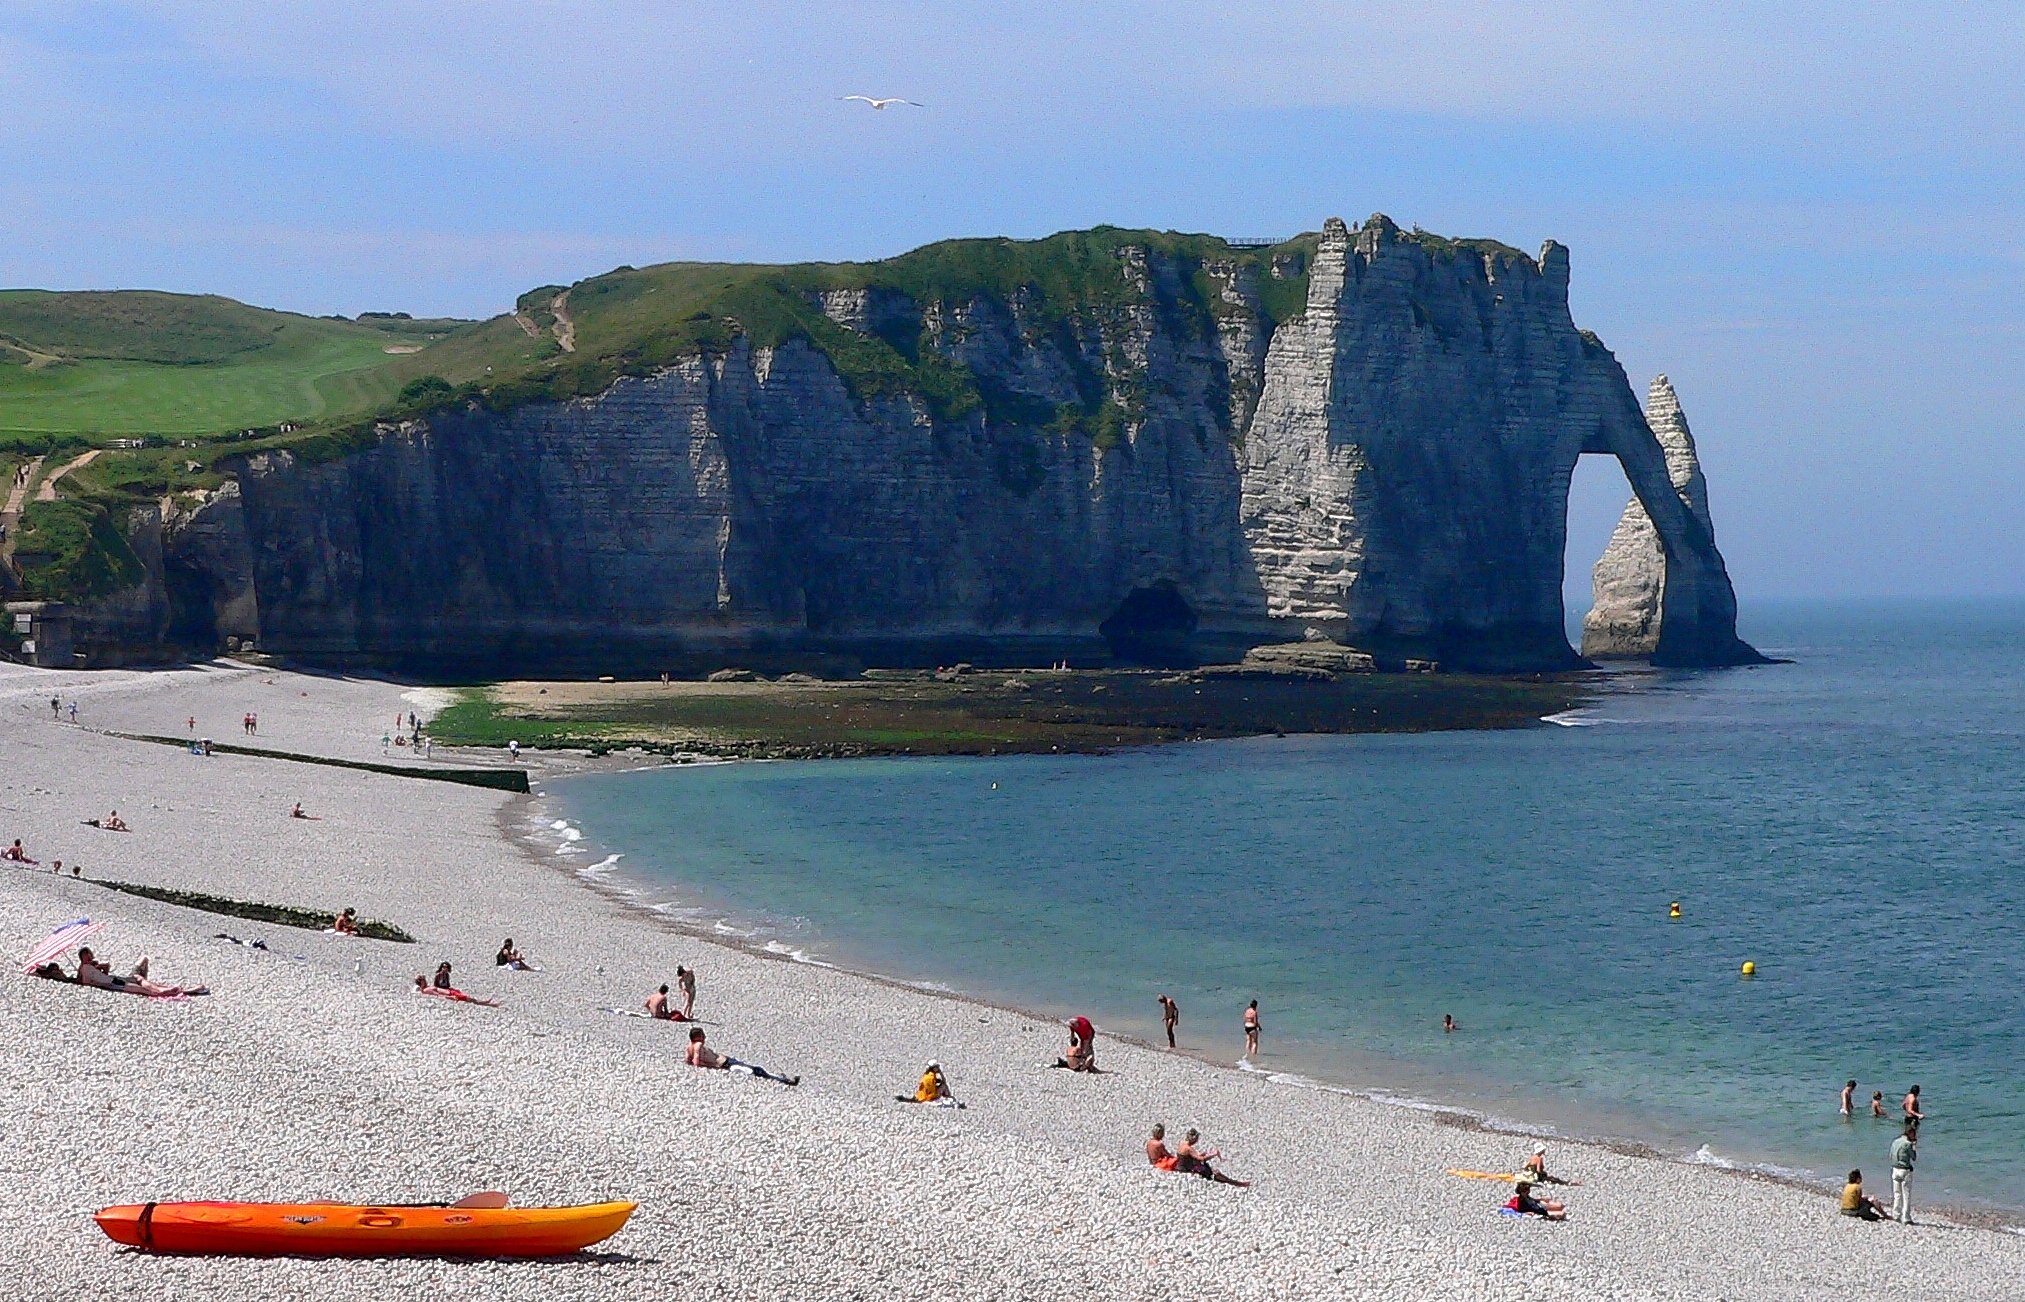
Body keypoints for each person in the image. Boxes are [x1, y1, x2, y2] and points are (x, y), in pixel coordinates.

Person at [76, 946, 208, 997]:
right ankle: (187, 991)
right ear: (82, 958)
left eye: (89, 955)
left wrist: (100, 967)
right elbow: (86, 981)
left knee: (143, 981)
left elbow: (103, 975)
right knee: (148, 991)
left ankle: (175, 989)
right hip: (114, 984)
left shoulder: (90, 967)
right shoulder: (83, 969)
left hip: (115, 980)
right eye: (87, 956)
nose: (89, 958)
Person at [685, 1027, 798, 1085]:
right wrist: (712, 1066)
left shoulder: (689, 1046)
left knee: (754, 1069)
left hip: (727, 1063)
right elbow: (696, 1061)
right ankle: (784, 1080)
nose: (705, 1037)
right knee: (756, 1070)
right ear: (698, 1037)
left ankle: (780, 1077)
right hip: (726, 1064)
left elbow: (687, 1060)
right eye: (702, 1035)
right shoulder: (698, 1045)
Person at [1172, 1128, 1250, 1187]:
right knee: (1215, 1172)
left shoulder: (1182, 1143)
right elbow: (1201, 1159)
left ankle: (1234, 1182)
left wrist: (1203, 1154)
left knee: (1207, 1167)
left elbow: (1188, 1156)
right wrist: (1213, 1154)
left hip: (1181, 1166)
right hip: (1188, 1168)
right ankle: (1235, 1183)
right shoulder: (1189, 1148)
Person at [1889, 1124, 1917, 1224]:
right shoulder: (1908, 1144)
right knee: (1906, 1195)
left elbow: (1890, 1155)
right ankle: (1906, 1217)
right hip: (1905, 1170)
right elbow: (1913, 1157)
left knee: (1897, 1194)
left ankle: (1896, 1214)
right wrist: (1914, 1146)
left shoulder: (1895, 1141)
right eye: (1914, 1134)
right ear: (1910, 1133)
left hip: (1895, 1169)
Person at [413, 975, 498, 1006]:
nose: (425, 980)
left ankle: (486, 1003)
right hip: (450, 994)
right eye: (423, 979)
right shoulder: (426, 990)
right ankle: (487, 1003)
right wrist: (450, 997)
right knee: (469, 998)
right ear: (421, 982)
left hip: (450, 991)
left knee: (468, 997)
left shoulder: (427, 987)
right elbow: (438, 995)